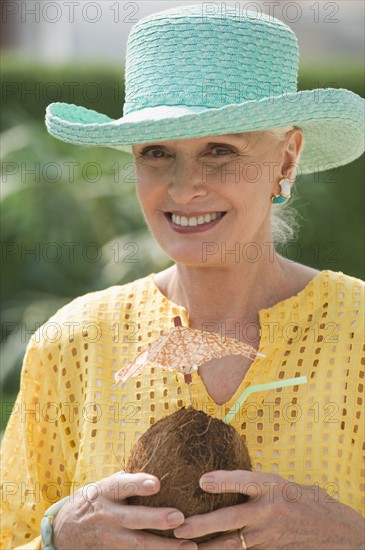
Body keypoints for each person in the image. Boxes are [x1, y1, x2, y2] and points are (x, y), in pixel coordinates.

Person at [1, 3, 364, 550]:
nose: (182, 186)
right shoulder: (72, 343)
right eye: (156, 152)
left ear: (286, 160)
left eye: (220, 149)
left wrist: (351, 534)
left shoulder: (357, 333)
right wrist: (59, 537)